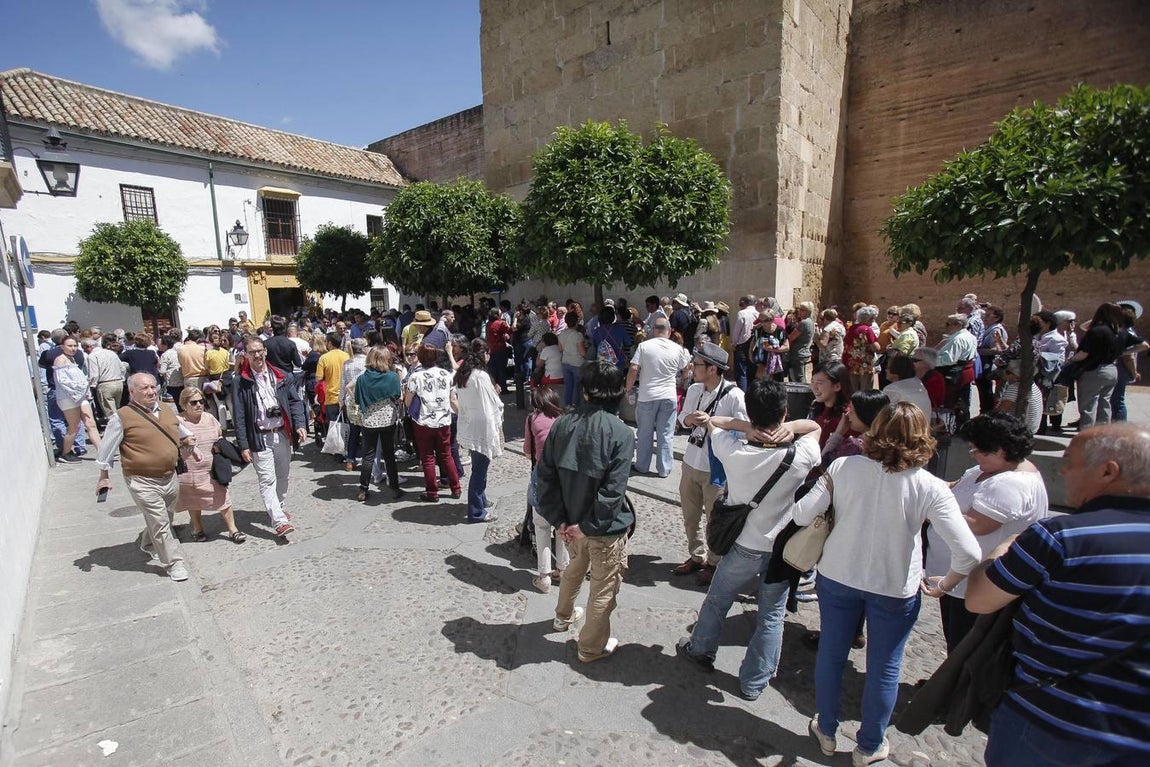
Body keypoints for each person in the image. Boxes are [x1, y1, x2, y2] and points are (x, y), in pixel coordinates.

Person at [795, 402, 981, 766]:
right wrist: (946, 583)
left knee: (832, 655)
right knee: (885, 667)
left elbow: (802, 513)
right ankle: (869, 745)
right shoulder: (929, 486)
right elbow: (969, 552)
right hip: (894, 584)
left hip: (838, 574)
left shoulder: (844, 467)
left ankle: (827, 731)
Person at [965, 423, 1150, 767]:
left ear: (1108, 471)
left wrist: (1001, 551)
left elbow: (979, 598)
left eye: (1071, 461)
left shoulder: (1062, 537)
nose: (1062, 471)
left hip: (1050, 724)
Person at [676, 379, 822, 700]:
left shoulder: (734, 450)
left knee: (718, 600)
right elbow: (813, 428)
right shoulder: (800, 456)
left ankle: (701, 649)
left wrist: (748, 428)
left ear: (751, 415)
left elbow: (714, 421)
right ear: (783, 413)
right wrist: (789, 426)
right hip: (783, 547)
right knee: (771, 616)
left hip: (744, 545)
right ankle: (753, 682)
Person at [920, 411, 1048, 652]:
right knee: (955, 638)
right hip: (955, 578)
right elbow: (953, 488)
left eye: (977, 450)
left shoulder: (1010, 484)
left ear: (999, 451)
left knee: (965, 644)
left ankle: (956, 689)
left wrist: (928, 510)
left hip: (973, 582)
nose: (973, 454)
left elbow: (977, 524)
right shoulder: (990, 469)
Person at [537, 359, 635, 664]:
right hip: (602, 528)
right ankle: (590, 647)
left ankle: (562, 616)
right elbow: (612, 493)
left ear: (586, 391)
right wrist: (586, 524)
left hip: (570, 522)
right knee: (603, 589)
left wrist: (562, 520)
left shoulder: (562, 423)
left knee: (574, 569)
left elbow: (546, 477)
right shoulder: (620, 432)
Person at [94, 373, 194, 581]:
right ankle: (174, 564)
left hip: (169, 476)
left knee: (165, 517)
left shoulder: (166, 410)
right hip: (142, 480)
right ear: (131, 392)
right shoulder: (121, 417)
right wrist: (104, 476)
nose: (151, 391)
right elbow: (106, 449)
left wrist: (191, 444)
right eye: (144, 388)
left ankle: (149, 544)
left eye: (152, 387)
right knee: (160, 521)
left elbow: (183, 433)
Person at [675, 341, 748, 584]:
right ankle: (696, 555)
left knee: (714, 519)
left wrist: (714, 422)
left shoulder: (735, 396)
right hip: (691, 461)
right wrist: (689, 420)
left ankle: (715, 562)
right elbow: (682, 416)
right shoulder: (695, 390)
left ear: (713, 369)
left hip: (716, 467)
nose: (692, 368)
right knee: (690, 514)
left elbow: (745, 429)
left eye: (697, 364)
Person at [232, 338, 308, 539]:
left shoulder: (281, 376)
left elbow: (295, 402)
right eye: (252, 352)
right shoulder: (241, 381)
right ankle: (279, 521)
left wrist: (300, 424)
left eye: (259, 351)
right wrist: (243, 444)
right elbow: (239, 415)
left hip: (282, 433)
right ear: (246, 355)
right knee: (267, 479)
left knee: (283, 475)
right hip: (259, 437)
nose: (257, 355)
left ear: (265, 351)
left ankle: (279, 507)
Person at [176, 387, 245, 543]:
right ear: (184, 404)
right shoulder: (178, 422)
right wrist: (183, 444)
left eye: (201, 401)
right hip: (190, 471)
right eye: (193, 402)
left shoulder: (210, 418)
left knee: (223, 497)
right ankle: (198, 528)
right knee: (193, 500)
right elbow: (171, 444)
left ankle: (232, 529)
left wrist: (218, 447)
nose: (199, 405)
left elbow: (219, 435)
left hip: (212, 469)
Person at [625, 317, 691, 478]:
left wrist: (628, 389)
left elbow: (633, 369)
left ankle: (642, 466)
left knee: (644, 433)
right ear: (669, 331)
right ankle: (664, 469)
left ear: (655, 330)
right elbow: (687, 368)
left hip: (647, 395)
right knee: (666, 434)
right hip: (669, 395)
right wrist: (682, 380)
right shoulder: (678, 348)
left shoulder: (644, 346)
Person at [404, 343, 461, 503]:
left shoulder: (416, 376)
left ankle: (432, 492)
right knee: (446, 454)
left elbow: (408, 401)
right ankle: (456, 487)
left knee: (428, 457)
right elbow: (453, 400)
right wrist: (462, 415)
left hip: (423, 422)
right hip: (443, 420)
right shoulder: (446, 374)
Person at [525, 387, 568, 593]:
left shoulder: (532, 419)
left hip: (541, 477)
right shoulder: (564, 420)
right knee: (562, 527)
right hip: (562, 479)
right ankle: (563, 571)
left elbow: (527, 451)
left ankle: (544, 578)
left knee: (541, 527)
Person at [455, 339, 503, 523]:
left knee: (478, 466)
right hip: (482, 426)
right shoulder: (480, 376)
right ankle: (476, 511)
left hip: (470, 423)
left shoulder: (464, 373)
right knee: (479, 470)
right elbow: (491, 403)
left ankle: (481, 500)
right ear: (484, 354)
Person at [352, 346, 405, 502]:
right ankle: (395, 487)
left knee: (368, 455)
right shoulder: (393, 377)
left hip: (369, 420)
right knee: (389, 454)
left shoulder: (362, 379)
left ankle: (363, 489)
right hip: (388, 419)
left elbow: (357, 399)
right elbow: (397, 396)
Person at [1070, 302, 1124, 430]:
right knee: (1105, 403)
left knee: (1089, 405)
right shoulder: (1119, 333)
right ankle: (1102, 433)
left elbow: (1083, 353)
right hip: (1112, 370)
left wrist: (1070, 359)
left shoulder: (1096, 331)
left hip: (1094, 370)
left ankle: (1086, 434)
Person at [53, 336, 102, 462]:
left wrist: (85, 385)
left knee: (90, 423)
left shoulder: (72, 359)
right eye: (70, 346)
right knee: (74, 426)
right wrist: (82, 387)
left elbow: (77, 379)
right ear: (62, 347)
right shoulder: (60, 360)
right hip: (68, 398)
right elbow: (63, 382)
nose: (73, 348)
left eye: (75, 345)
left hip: (81, 395)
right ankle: (66, 452)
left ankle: (103, 452)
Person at [315, 331, 350, 443]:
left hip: (331, 396)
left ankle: (337, 451)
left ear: (330, 343)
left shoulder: (324, 358)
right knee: (347, 423)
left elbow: (318, 378)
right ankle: (348, 447)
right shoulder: (347, 355)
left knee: (334, 425)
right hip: (346, 396)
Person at [994, 359, 1043, 434]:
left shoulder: (1016, 387)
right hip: (1031, 430)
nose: (1004, 374)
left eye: (1007, 372)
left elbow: (1000, 412)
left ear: (1016, 376)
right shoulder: (1033, 386)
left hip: (1017, 431)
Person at [882, 355, 932, 419]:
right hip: (924, 425)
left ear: (896, 370)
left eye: (888, 367)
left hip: (907, 426)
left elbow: (884, 415)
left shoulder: (891, 389)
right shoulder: (918, 382)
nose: (886, 370)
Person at [844, 305, 880, 391]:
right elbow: (876, 347)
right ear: (867, 318)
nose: (873, 320)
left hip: (851, 363)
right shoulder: (867, 330)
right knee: (866, 389)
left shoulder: (852, 328)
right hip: (864, 364)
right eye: (872, 318)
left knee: (853, 389)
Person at [557, 313, 586, 408]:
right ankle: (575, 406)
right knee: (577, 387)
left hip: (565, 361)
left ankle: (567, 405)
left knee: (568, 386)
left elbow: (560, 349)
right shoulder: (578, 335)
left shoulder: (561, 334)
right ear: (576, 322)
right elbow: (582, 353)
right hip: (577, 362)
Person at [787, 302, 816, 383]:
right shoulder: (810, 321)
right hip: (803, 352)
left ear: (808, 311)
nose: (799, 311)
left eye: (802, 310)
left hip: (798, 353)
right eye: (799, 309)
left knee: (797, 378)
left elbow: (791, 337)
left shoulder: (804, 322)